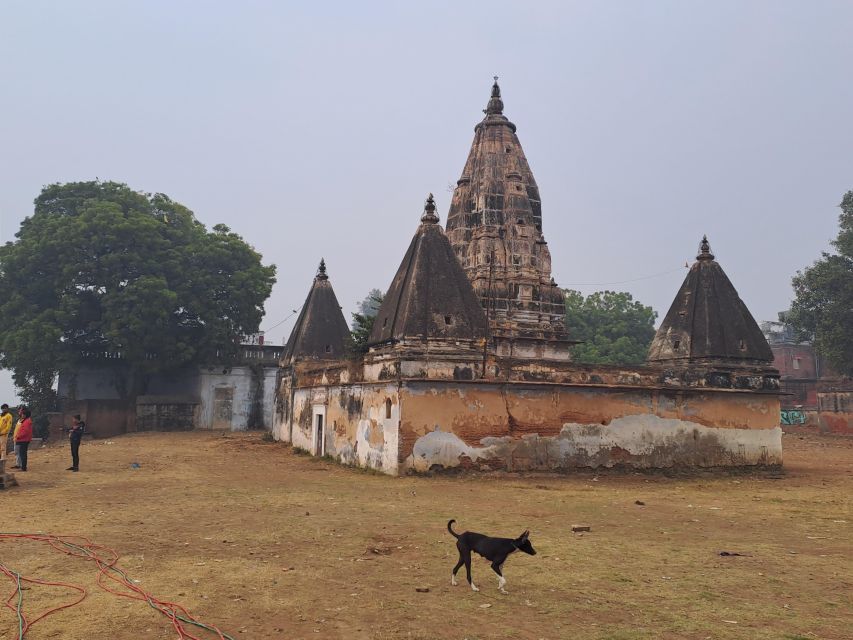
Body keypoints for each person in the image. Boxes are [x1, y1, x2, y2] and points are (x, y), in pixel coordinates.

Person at [14, 407, 33, 472]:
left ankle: (23, 468)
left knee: (22, 454)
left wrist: (18, 436)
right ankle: (23, 467)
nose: (21, 415)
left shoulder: (27, 422)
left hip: (23, 440)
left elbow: (25, 431)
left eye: (22, 414)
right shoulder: (26, 421)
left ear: (25, 415)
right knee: (22, 454)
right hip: (23, 439)